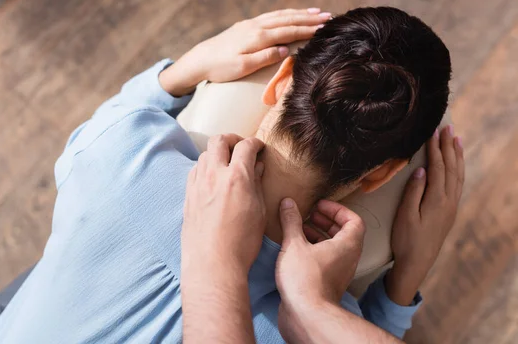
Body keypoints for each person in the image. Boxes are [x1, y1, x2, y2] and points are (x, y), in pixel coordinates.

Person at [0, 6, 456, 343]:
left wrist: (186, 68)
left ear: (279, 81)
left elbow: (115, 118)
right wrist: (404, 278)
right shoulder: (318, 324)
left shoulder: (122, 153)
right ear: (382, 175)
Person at [181, 129, 463, 343]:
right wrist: (409, 272)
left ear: (281, 83)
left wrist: (174, 78)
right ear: (381, 173)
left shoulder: (144, 149)